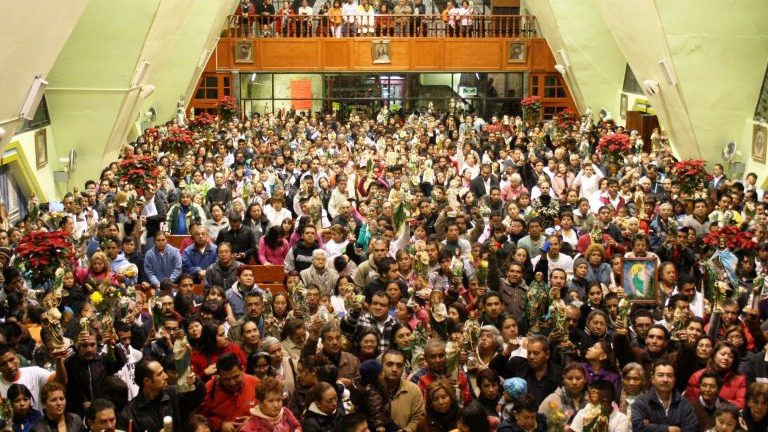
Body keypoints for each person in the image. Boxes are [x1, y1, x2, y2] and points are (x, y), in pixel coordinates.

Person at [118, 359, 205, 432]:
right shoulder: (130, 414)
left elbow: (197, 398)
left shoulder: (175, 393)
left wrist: (194, 381)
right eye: (160, 374)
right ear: (147, 381)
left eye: (163, 371)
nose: (166, 376)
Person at [197, 353, 260, 432]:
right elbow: (199, 420)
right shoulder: (209, 389)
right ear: (219, 376)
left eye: (236, 377)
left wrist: (254, 421)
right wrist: (220, 425)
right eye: (226, 379)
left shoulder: (256, 384)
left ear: (242, 369)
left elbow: (270, 412)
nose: (232, 383)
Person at [630, 360, 698, 432]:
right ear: (652, 379)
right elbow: (637, 427)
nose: (665, 380)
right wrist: (667, 429)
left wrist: (650, 427)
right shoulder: (641, 402)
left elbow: (691, 428)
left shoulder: (683, 403)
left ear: (674, 379)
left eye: (669, 375)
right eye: (660, 375)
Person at [0, 344, 67, 412]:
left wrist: (59, 360)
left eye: (11, 360)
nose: (9, 366)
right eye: (3, 364)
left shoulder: (34, 372)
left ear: (18, 358)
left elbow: (60, 383)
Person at [380, 350, 425, 432]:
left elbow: (418, 418)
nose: (394, 369)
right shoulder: (371, 390)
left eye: (399, 365)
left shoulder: (413, 390)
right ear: (381, 366)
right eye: (390, 364)